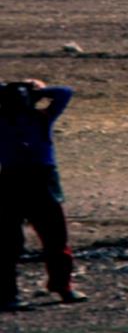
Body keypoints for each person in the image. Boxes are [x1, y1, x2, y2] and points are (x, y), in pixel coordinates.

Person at [1, 79, 85, 311]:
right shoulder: (41, 117)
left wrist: (11, 89)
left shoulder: (35, 118)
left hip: (24, 181)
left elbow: (66, 91)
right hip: (26, 181)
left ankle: (14, 294)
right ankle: (59, 288)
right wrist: (36, 90)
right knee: (34, 241)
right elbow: (64, 92)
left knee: (36, 240)